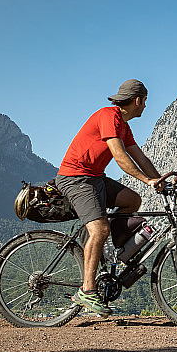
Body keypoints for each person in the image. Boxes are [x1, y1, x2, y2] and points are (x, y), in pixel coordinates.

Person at [56, 79, 162, 317]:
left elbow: (141, 158)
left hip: (95, 178)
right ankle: (87, 289)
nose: (145, 107)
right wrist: (147, 181)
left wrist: (160, 180)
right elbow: (120, 155)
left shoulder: (124, 126)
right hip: (76, 178)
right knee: (100, 230)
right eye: (145, 102)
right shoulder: (108, 116)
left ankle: (109, 252)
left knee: (132, 201)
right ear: (137, 100)